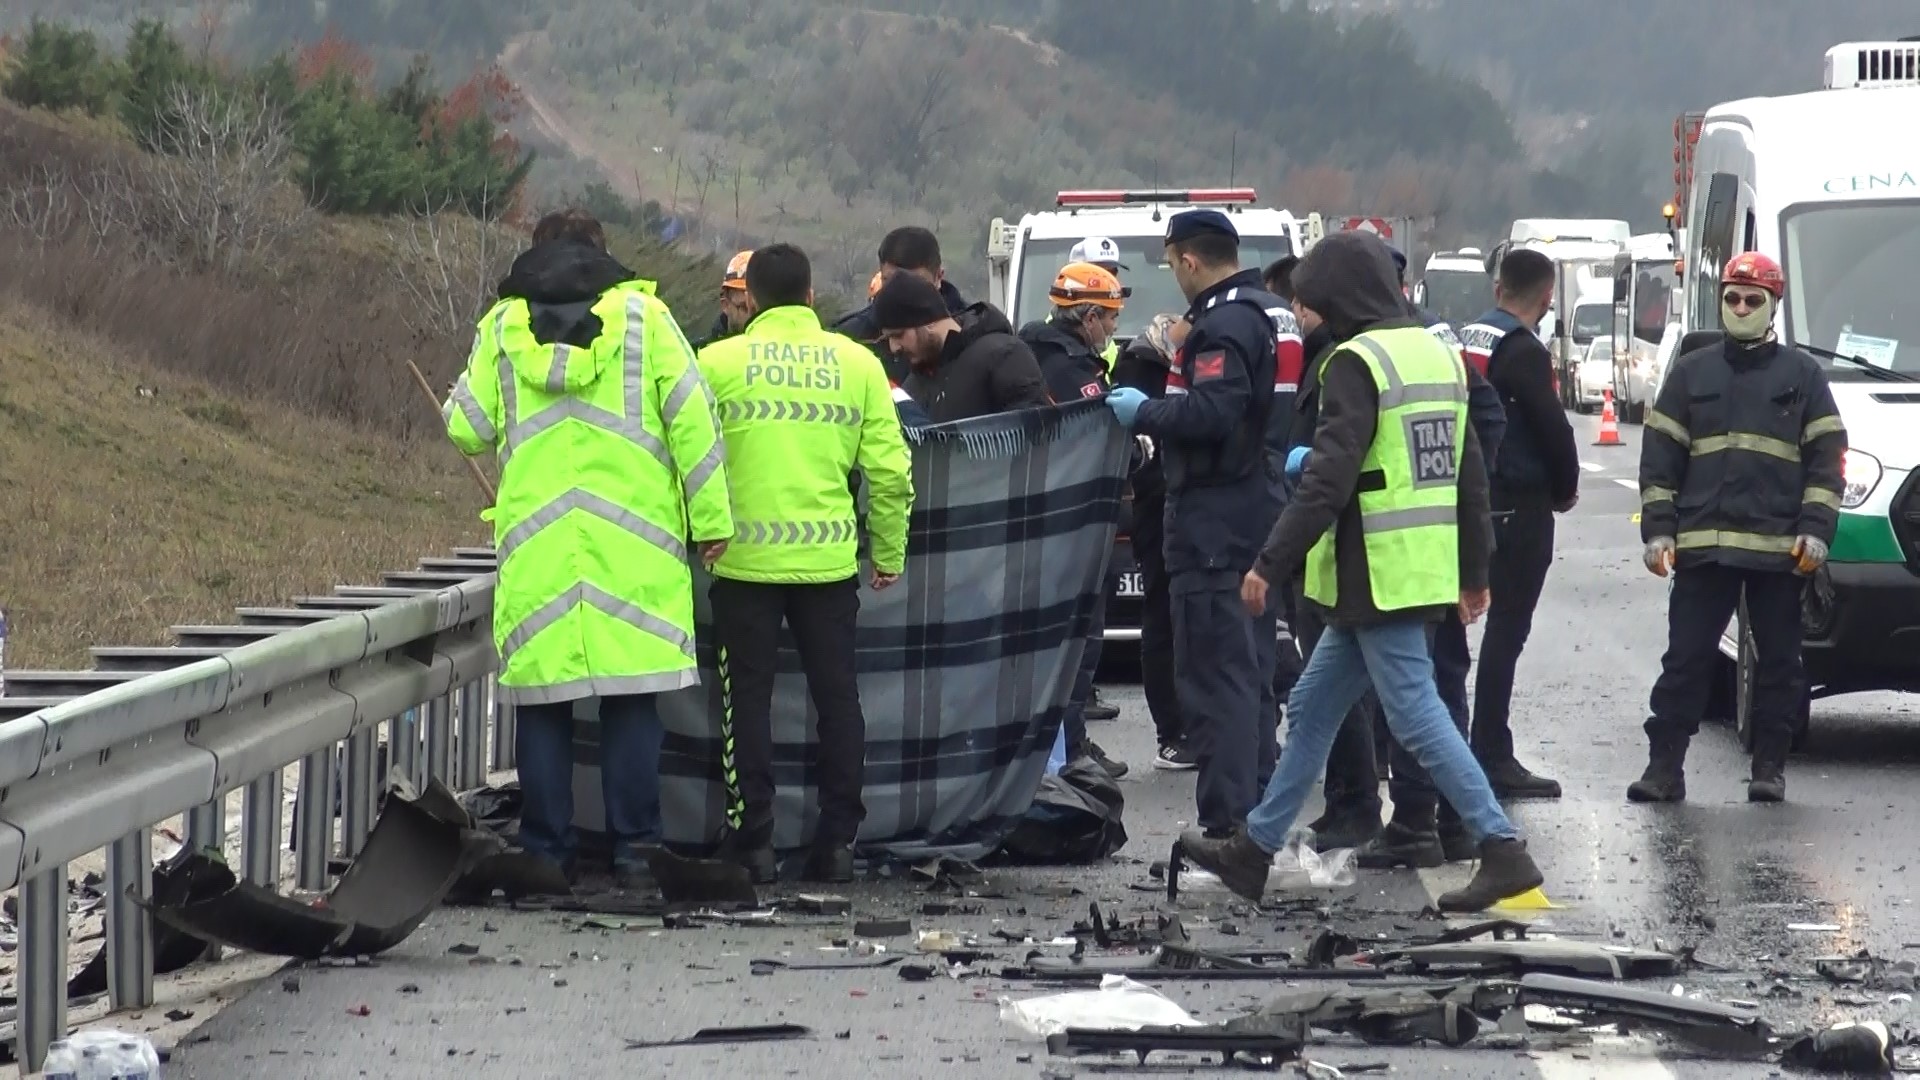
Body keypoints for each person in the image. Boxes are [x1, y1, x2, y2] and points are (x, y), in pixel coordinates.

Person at [1176, 230, 1544, 913]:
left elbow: (1327, 480)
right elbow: (1468, 472)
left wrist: (1268, 563)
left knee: (1416, 715)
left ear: (1342, 297)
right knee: (1314, 707)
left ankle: (1502, 846)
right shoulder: (1439, 354)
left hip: (1375, 572)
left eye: (1313, 302)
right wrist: (1474, 568)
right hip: (1414, 568)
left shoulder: (1355, 362)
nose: (1306, 314)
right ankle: (1253, 852)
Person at [442, 208, 733, 890]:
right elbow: (695, 422)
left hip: (540, 546)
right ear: (605, 255)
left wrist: (467, 385)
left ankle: (547, 852)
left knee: (543, 703)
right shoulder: (646, 320)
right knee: (631, 702)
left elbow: (467, 428)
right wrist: (711, 520)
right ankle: (636, 851)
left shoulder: (503, 329)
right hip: (634, 548)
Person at [693, 243, 913, 883]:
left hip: (742, 564)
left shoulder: (716, 362)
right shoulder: (858, 364)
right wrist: (889, 550)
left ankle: (753, 842)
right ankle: (837, 842)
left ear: (750, 300)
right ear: (813, 296)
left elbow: (690, 457)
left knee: (746, 703)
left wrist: (701, 529)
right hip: (828, 565)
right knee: (838, 700)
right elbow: (891, 471)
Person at [1103, 208, 1294, 836]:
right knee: (1252, 677)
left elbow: (1214, 412)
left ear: (1187, 259)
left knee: (1218, 681)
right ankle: (1256, 820)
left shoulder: (1222, 325)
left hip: (1216, 522)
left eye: (1171, 264)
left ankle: (1230, 827)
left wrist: (1146, 413)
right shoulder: (1269, 310)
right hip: (1253, 508)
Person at [1629, 251, 1844, 805]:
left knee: (1779, 664)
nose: (1741, 307)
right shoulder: (1690, 373)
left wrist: (1817, 529)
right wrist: (1658, 531)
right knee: (1685, 661)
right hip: (1703, 551)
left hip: (1779, 553)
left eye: (1753, 300)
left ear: (1772, 306)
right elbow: (1659, 461)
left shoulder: (1803, 376)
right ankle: (1664, 768)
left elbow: (1826, 459)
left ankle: (1769, 767)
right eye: (1732, 298)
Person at [1348, 247, 1510, 868]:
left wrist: (1432, 484)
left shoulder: (1425, 342)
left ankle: (1439, 821)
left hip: (1419, 550)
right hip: (1421, 547)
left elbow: (1480, 421)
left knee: (1431, 691)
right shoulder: (1382, 343)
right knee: (1408, 694)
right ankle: (1445, 822)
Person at [1457, 249, 1581, 801]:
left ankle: (1437, 748)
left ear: (1498, 287)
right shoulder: (1524, 351)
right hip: (1515, 502)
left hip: (1461, 496)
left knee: (1446, 632)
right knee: (1506, 630)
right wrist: (1564, 489)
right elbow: (1553, 428)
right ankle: (1491, 752)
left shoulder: (1466, 338)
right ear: (1548, 297)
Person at [1016, 261, 1133, 777]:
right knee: (1078, 643)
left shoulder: (1044, 353)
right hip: (1073, 518)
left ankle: (1074, 741)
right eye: (1107, 318)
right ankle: (1071, 751)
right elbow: (1097, 435)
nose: (1112, 328)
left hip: (1059, 517)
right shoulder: (1067, 367)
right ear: (1086, 316)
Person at [1113, 314, 1194, 769]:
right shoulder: (1140, 365)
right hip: (1155, 503)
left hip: (1184, 503)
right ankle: (1172, 731)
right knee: (1161, 618)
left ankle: (1193, 725)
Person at [874, 271, 1048, 422]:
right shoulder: (914, 384)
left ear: (928, 321)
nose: (894, 347)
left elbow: (1034, 434)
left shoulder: (1005, 355)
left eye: (898, 335)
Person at [833, 226, 968, 384]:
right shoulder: (849, 339)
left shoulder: (971, 333)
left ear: (939, 276)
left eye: (915, 284)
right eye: (889, 282)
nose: (899, 292)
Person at [1068, 236, 1129, 371]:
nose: (1109, 280)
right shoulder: (1060, 329)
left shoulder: (1107, 331)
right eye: (1099, 274)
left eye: (1112, 273)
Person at [697, 250, 755, 349]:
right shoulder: (701, 355)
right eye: (745, 308)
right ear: (725, 304)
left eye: (759, 310)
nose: (756, 318)